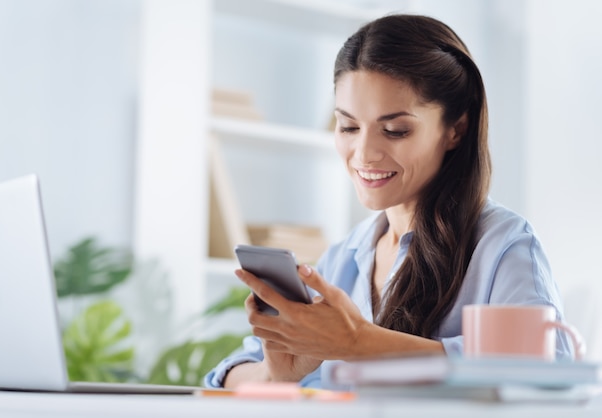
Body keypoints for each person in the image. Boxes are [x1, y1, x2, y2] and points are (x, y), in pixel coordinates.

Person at [204, 13, 573, 390]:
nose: (364, 153)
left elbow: (546, 371)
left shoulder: (501, 245)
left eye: (395, 130)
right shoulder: (344, 258)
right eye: (348, 126)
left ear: (455, 130)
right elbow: (232, 372)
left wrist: (361, 343)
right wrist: (275, 374)